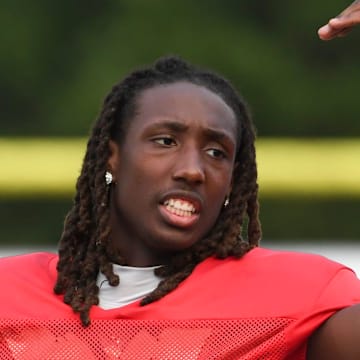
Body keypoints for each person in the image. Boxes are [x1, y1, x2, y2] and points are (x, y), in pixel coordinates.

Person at [0, 2, 359, 359]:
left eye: (217, 152)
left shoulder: (299, 295)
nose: (192, 170)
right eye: (166, 141)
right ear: (113, 156)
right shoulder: (9, 293)